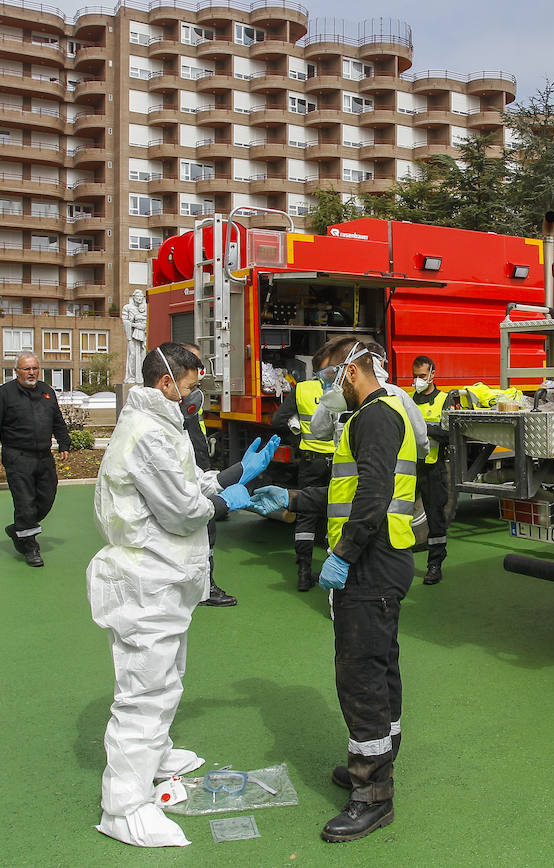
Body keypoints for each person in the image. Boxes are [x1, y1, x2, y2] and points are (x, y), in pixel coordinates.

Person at [87, 341, 276, 848]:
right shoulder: (149, 432)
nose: (195, 397)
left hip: (162, 582)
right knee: (143, 694)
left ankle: (157, 752)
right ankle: (124, 807)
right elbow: (183, 510)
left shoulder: (161, 426)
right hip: (146, 581)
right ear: (167, 382)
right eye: (191, 387)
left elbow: (190, 484)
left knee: (166, 677)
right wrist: (224, 503)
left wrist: (235, 475)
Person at [252, 338, 416, 843]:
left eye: (327, 379)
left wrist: (342, 555)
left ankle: (372, 795)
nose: (325, 389)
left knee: (361, 675)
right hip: (383, 558)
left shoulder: (374, 417)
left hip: (371, 563)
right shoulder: (377, 414)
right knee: (378, 667)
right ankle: (378, 761)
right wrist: (294, 496)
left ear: (350, 372)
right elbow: (348, 489)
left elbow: (372, 496)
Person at [0, 351, 70, 567]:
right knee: (25, 504)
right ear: (17, 372)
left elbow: (57, 420)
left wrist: (64, 443)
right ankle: (31, 547)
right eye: (26, 369)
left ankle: (18, 529)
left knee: (46, 498)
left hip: (44, 457)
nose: (31, 373)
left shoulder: (47, 392)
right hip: (17, 456)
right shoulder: (4, 394)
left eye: (34, 368)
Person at [271, 339, 343, 591]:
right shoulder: (344, 389)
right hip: (338, 464)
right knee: (338, 513)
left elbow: (278, 420)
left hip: (311, 463)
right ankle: (337, 570)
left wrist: (297, 433)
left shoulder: (301, 389)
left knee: (306, 515)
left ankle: (304, 571)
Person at [182, 343, 235, 607]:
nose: (200, 370)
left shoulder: (190, 398)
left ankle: (203, 584)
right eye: (195, 363)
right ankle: (205, 588)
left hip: (198, 467)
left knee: (206, 529)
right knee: (204, 528)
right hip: (190, 473)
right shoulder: (178, 406)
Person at [410, 355, 459, 585]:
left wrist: (423, 427)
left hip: (433, 468)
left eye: (422, 376)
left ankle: (434, 564)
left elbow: (449, 432)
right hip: (410, 469)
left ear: (432, 375)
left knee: (435, 518)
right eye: (415, 376)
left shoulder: (444, 399)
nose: (418, 380)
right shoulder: (410, 400)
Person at [121, 289, 147, 384]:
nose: (139, 298)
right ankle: (131, 376)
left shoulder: (145, 308)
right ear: (133, 297)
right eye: (137, 297)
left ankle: (141, 376)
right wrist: (134, 325)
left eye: (141, 297)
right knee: (132, 355)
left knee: (143, 355)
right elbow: (125, 321)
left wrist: (143, 326)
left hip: (143, 335)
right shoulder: (127, 307)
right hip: (132, 336)